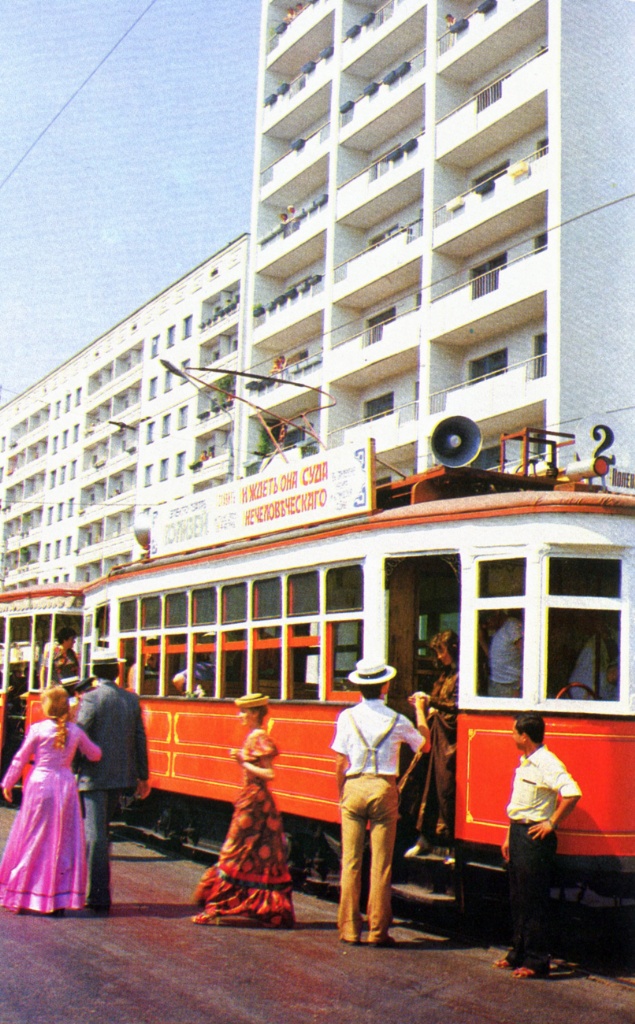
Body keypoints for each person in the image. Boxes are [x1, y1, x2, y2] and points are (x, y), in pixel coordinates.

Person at [331, 659, 429, 946]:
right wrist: (420, 712)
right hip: (384, 787)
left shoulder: (347, 717)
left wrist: (342, 794)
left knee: (350, 862)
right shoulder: (397, 719)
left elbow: (339, 761)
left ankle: (349, 930)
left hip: (354, 784)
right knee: (381, 864)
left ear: (360, 687)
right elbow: (424, 745)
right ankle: (377, 930)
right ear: (385, 686)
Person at [192, 693, 294, 927]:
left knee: (234, 852)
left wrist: (242, 761)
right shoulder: (254, 736)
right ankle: (268, 909)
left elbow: (269, 774)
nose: (240, 716)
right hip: (253, 801)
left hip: (255, 803)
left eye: (244, 712)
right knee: (256, 855)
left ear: (255, 713)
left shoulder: (259, 737)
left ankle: (217, 905)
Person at [0, 685, 101, 915]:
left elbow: (20, 758)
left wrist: (7, 783)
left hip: (40, 785)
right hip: (65, 786)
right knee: (61, 842)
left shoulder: (37, 729)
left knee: (32, 837)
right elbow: (95, 753)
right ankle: (57, 897)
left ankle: (23, 893)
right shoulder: (75, 731)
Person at [494, 712, 581, 978]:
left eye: (513, 732)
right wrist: (510, 836)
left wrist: (551, 823)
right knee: (518, 897)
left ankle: (537, 961)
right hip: (519, 834)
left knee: (533, 900)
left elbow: (572, 792)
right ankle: (518, 953)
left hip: (535, 839)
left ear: (524, 736)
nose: (511, 736)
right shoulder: (526, 761)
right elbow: (520, 806)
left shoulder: (546, 762)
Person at [76, 648, 150, 914]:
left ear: (95, 671)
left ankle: (97, 895)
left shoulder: (91, 699)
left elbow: (79, 735)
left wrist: (72, 766)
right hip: (121, 775)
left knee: (94, 835)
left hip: (94, 775)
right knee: (102, 832)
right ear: (117, 671)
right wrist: (143, 775)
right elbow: (141, 739)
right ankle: (98, 891)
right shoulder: (130, 700)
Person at [402, 630, 459, 858]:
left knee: (446, 788)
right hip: (439, 736)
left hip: (451, 740)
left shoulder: (463, 674)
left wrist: (430, 701)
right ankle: (425, 837)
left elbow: (456, 704)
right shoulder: (447, 673)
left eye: (441, 651)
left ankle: (451, 842)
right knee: (429, 785)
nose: (439, 656)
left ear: (453, 648)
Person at [484, 611, 523, 697]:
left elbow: (525, 653)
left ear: (496, 614)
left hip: (510, 685)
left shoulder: (512, 626)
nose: (486, 624)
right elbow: (494, 658)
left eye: (487, 620)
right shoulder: (498, 631)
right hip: (496, 683)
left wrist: (518, 686)